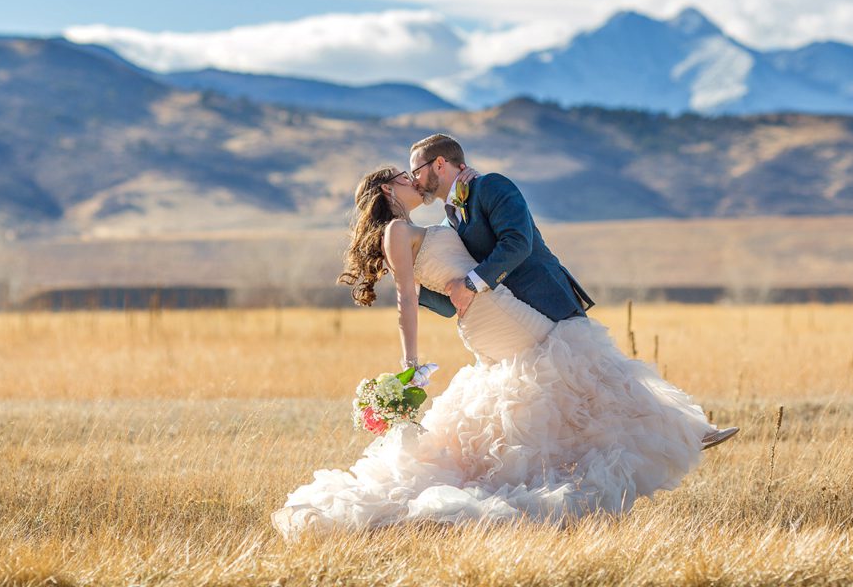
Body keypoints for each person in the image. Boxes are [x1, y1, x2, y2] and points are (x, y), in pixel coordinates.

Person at [270, 150, 738, 540]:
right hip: (495, 314)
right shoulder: (397, 231)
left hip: (487, 312)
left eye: (413, 171)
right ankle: (682, 429)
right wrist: (410, 361)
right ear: (388, 191)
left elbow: (448, 293)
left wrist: (460, 283)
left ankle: (664, 434)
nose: (412, 180)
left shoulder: (427, 222)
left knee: (558, 378)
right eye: (402, 176)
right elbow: (408, 300)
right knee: (577, 355)